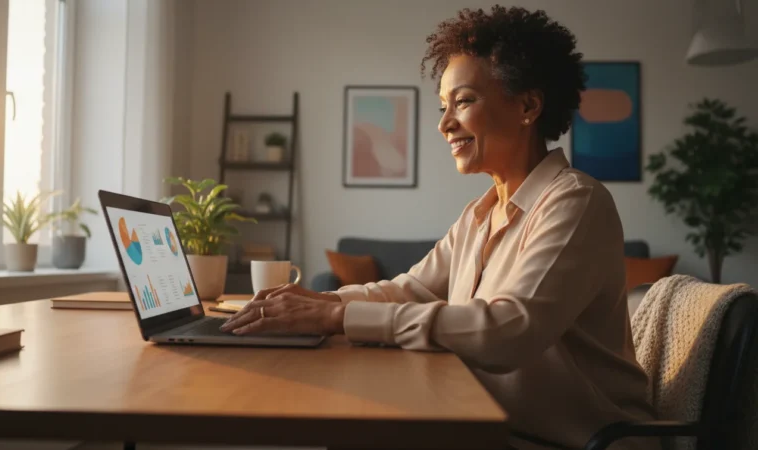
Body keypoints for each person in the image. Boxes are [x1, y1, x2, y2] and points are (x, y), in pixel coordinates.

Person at [221, 6, 657, 450]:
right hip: (495, 428)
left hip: (578, 443)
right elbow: (409, 289)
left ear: (528, 105)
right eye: (444, 106)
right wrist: (319, 301)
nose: (444, 123)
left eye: (463, 101)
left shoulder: (575, 202)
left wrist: (338, 316)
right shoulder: (478, 215)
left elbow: (509, 331)